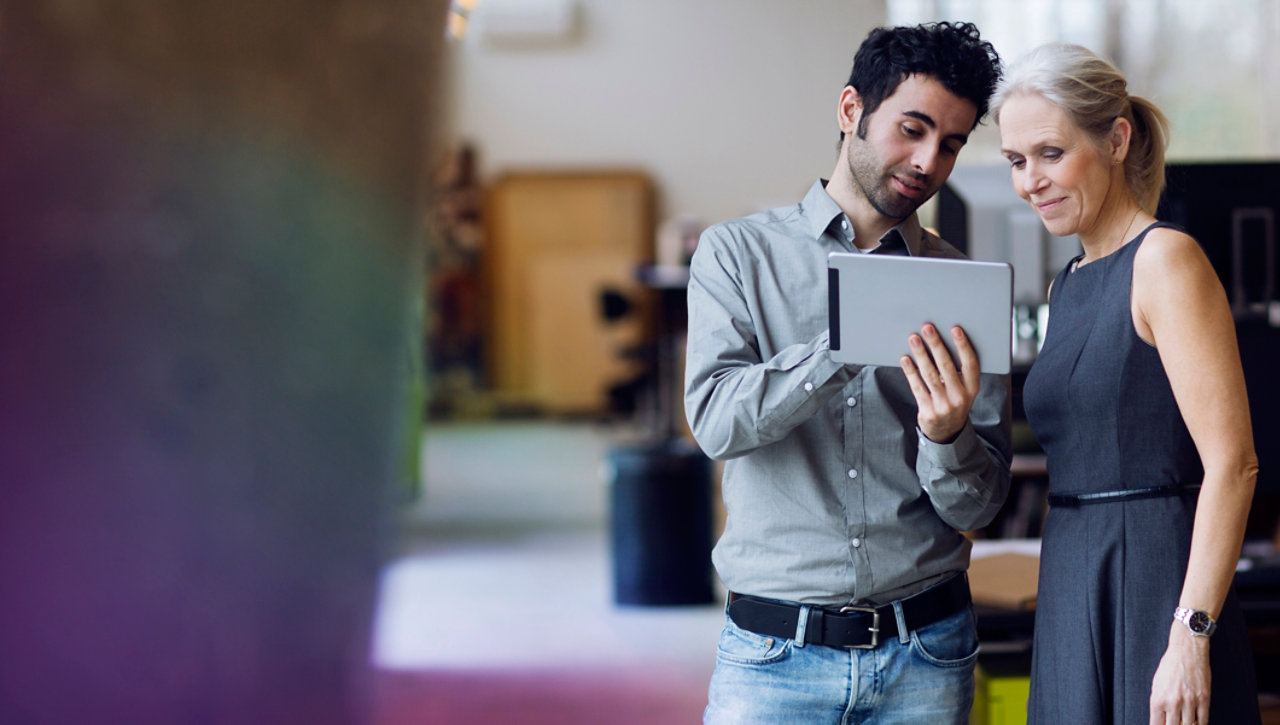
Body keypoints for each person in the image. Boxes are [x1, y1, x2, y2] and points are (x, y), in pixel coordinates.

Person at [684, 22, 1009, 723]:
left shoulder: (962, 284)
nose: (928, 160)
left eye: (950, 143)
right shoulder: (737, 255)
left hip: (927, 650)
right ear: (850, 111)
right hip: (773, 655)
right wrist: (840, 345)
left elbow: (978, 507)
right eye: (912, 129)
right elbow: (714, 421)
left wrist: (948, 434)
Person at [993, 43, 1260, 724]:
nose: (1031, 182)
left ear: (1116, 139)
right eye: (1016, 161)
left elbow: (1233, 463)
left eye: (1050, 153)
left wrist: (1190, 634)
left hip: (1155, 578)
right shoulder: (1068, 282)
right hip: (1070, 571)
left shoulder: (1166, 260)